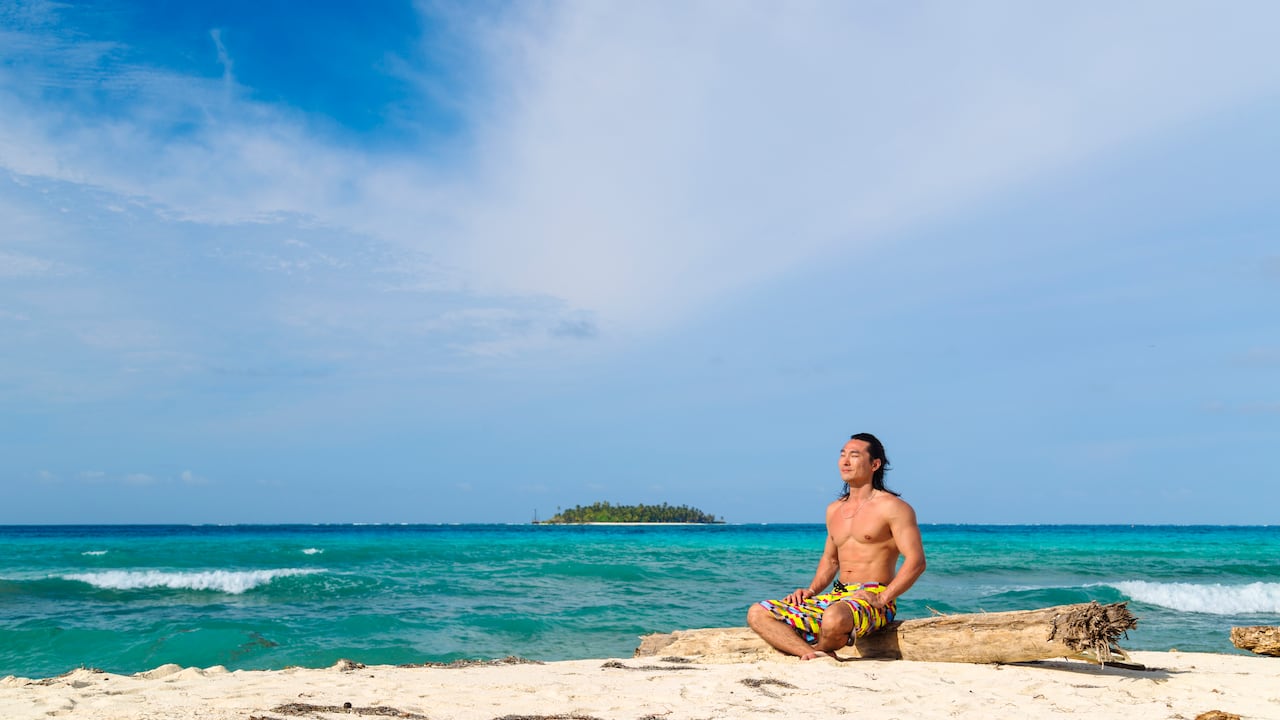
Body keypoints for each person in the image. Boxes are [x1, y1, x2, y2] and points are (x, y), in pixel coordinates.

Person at [747, 432, 926, 660]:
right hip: (837, 595)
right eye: (842, 455)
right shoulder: (834, 510)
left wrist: (883, 598)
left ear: (875, 464)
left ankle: (816, 648)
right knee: (758, 612)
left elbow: (916, 561)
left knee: (834, 618)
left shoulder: (893, 508)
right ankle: (812, 655)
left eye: (854, 455)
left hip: (872, 596)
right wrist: (810, 592)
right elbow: (831, 561)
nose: (845, 461)